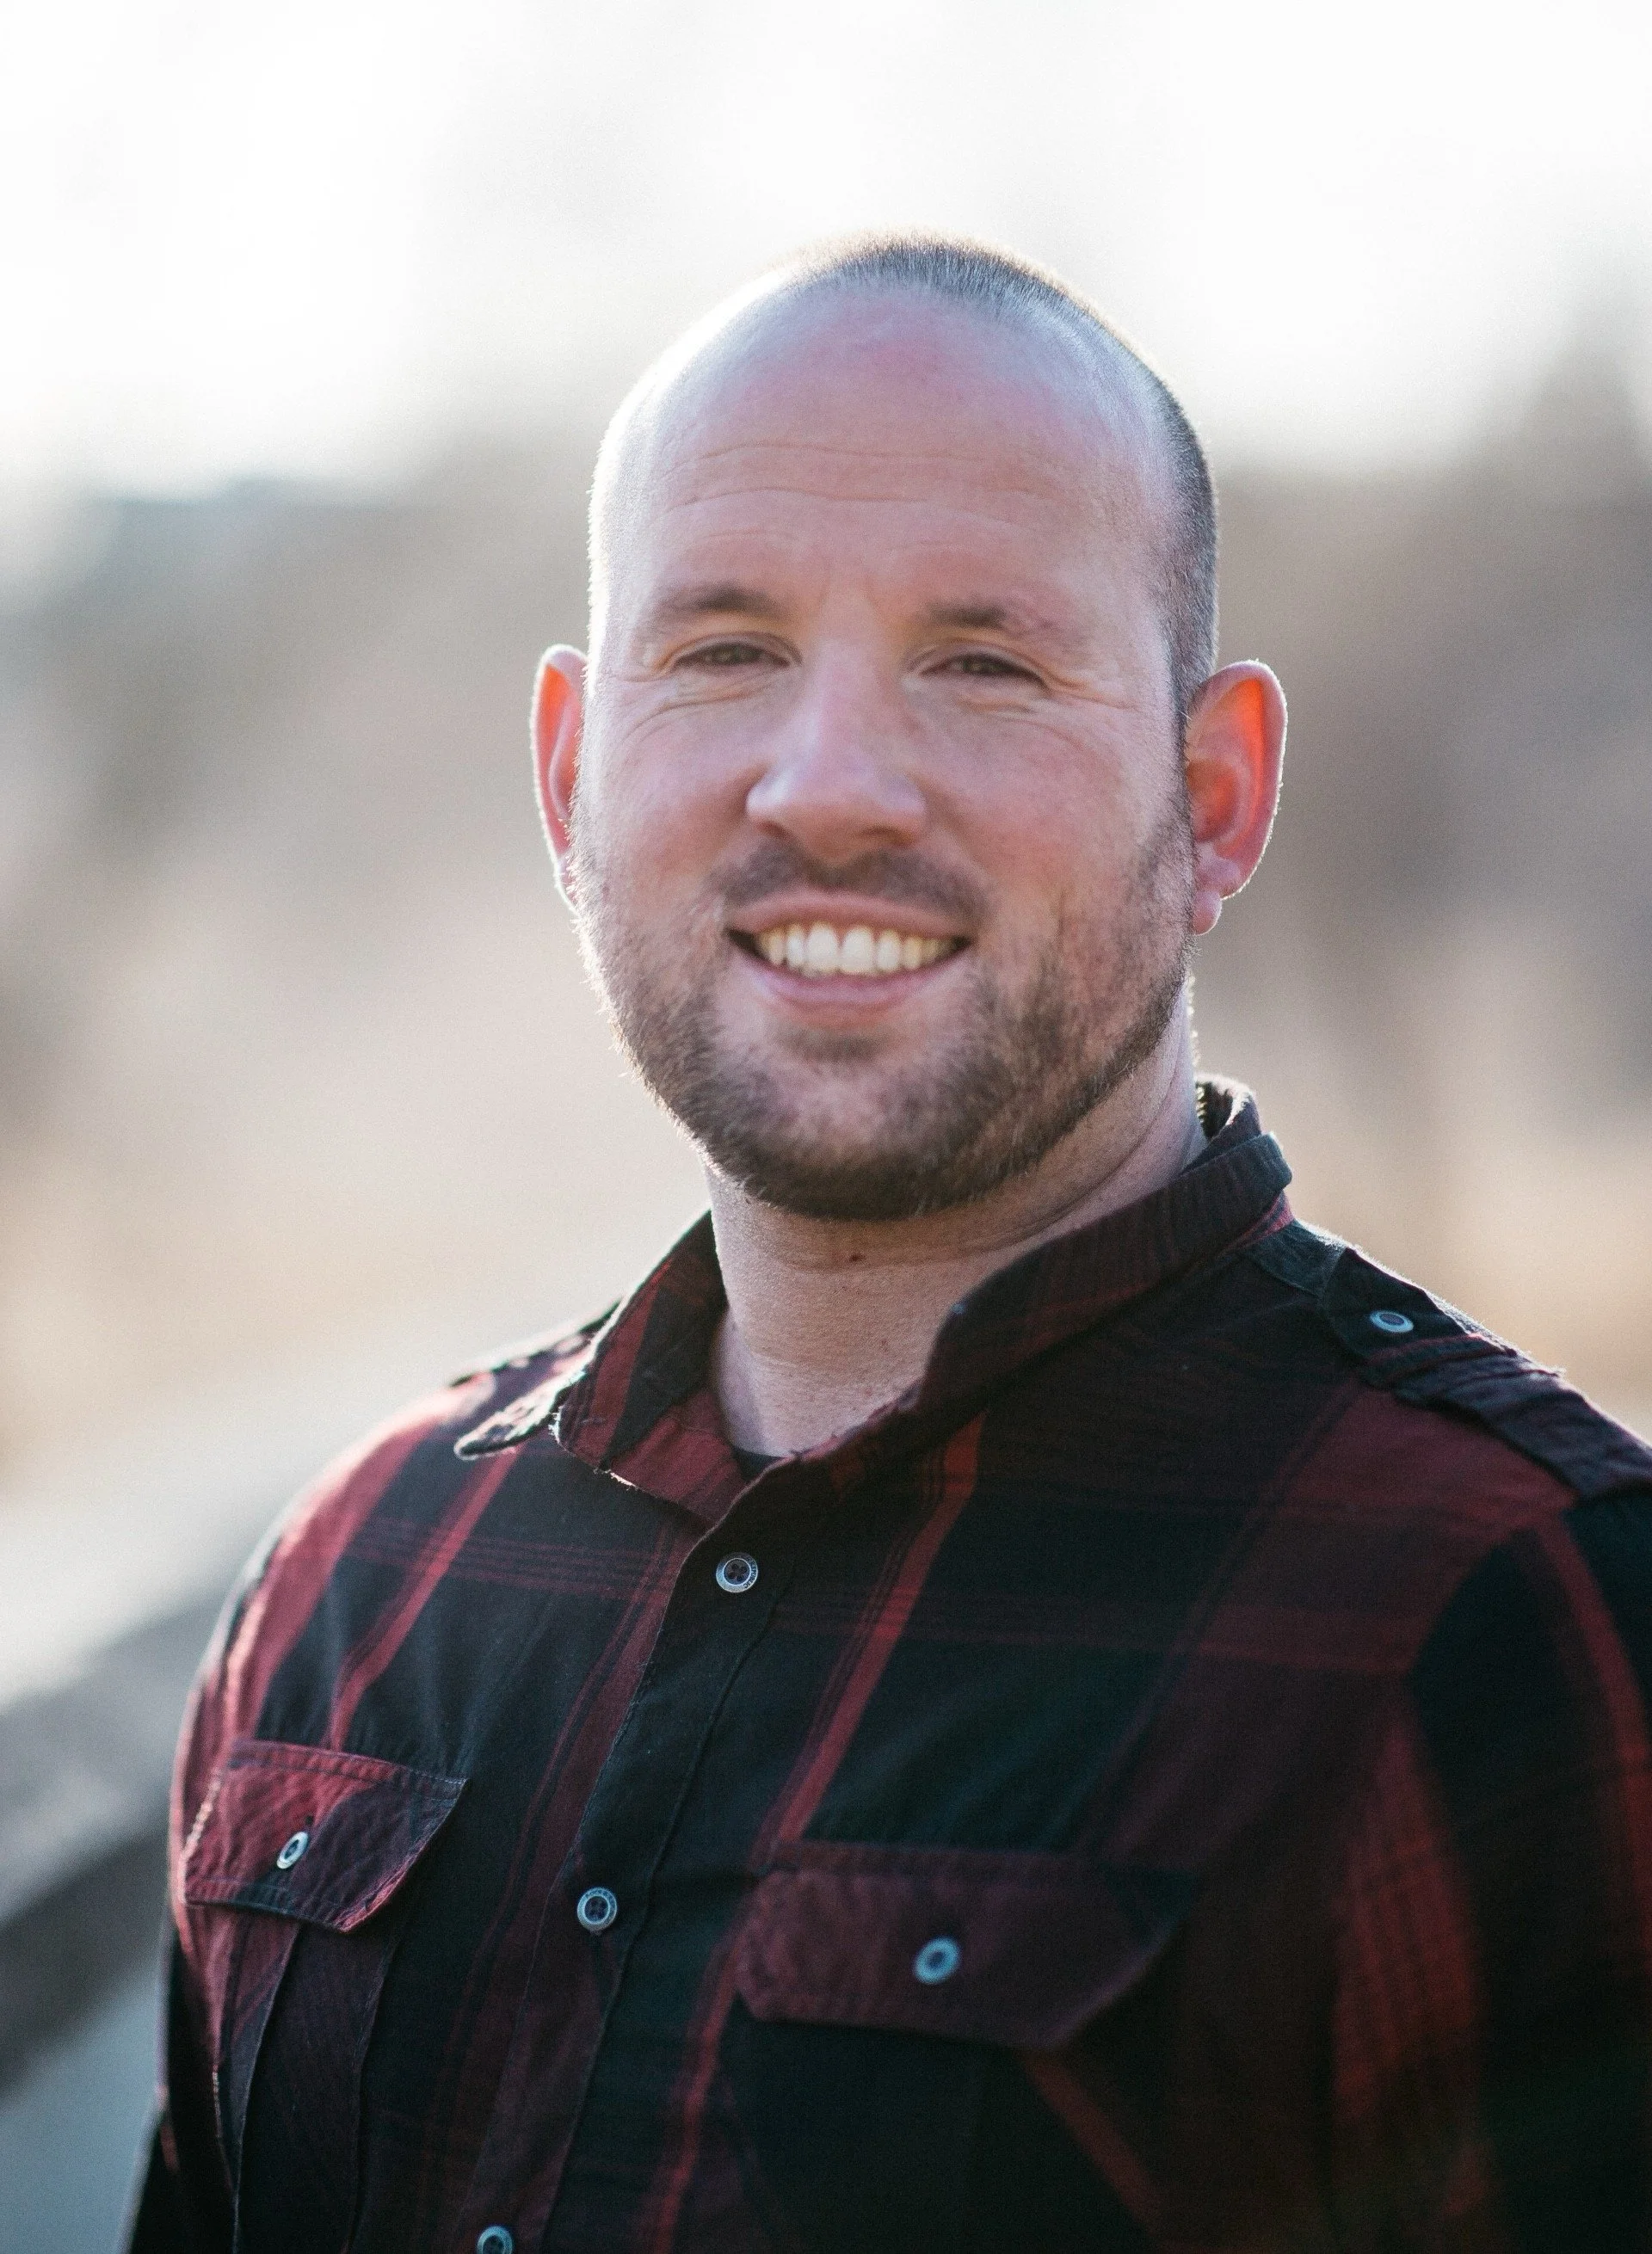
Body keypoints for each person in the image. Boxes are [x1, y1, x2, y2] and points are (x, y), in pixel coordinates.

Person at [129, 237, 1652, 2254]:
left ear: (1212, 798)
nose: (830, 780)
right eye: (729, 649)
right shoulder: (360, 1581)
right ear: (575, 776)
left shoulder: (1520, 1614)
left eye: (985, 658)